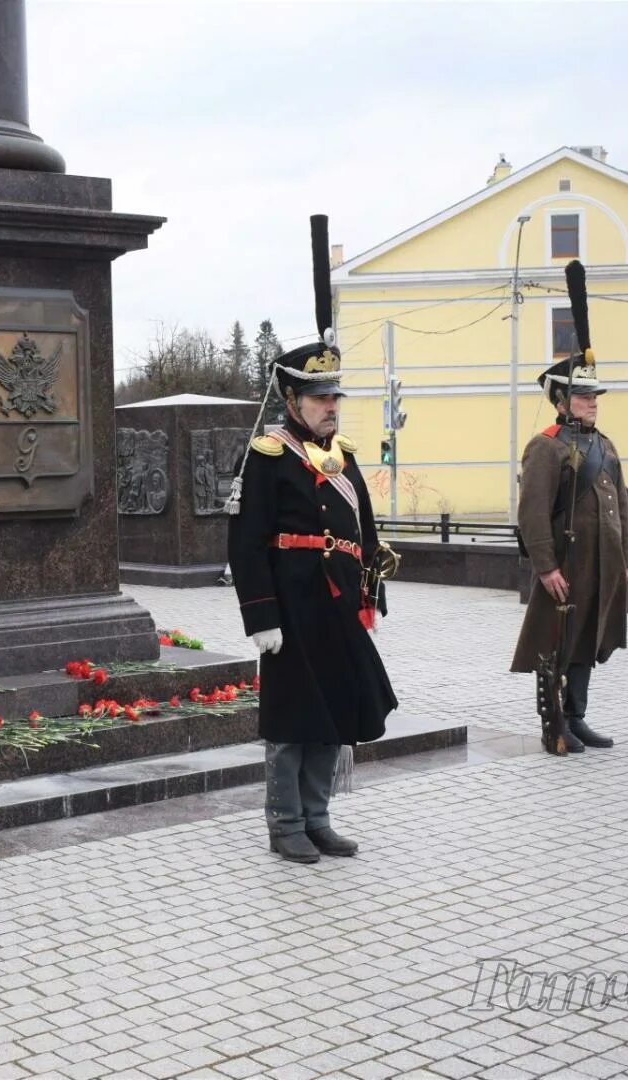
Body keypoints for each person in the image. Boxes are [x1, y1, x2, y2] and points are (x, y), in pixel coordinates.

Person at [227, 215, 399, 864]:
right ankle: (284, 824)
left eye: (334, 396)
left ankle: (319, 817)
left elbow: (365, 531)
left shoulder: (344, 458)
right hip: (291, 609)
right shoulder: (268, 458)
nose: (332, 406)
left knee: (333, 713)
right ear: (292, 400)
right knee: (292, 721)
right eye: (319, 398)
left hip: (335, 608)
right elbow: (245, 543)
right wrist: (259, 616)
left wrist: (369, 596)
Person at [509, 260, 628, 753]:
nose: (592, 402)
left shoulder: (604, 444)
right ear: (561, 399)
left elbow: (621, 505)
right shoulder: (546, 446)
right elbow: (531, 512)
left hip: (602, 564)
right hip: (567, 562)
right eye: (583, 396)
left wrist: (627, 558)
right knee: (556, 644)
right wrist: (545, 567)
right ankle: (554, 724)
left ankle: (578, 715)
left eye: (593, 395)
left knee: (587, 639)